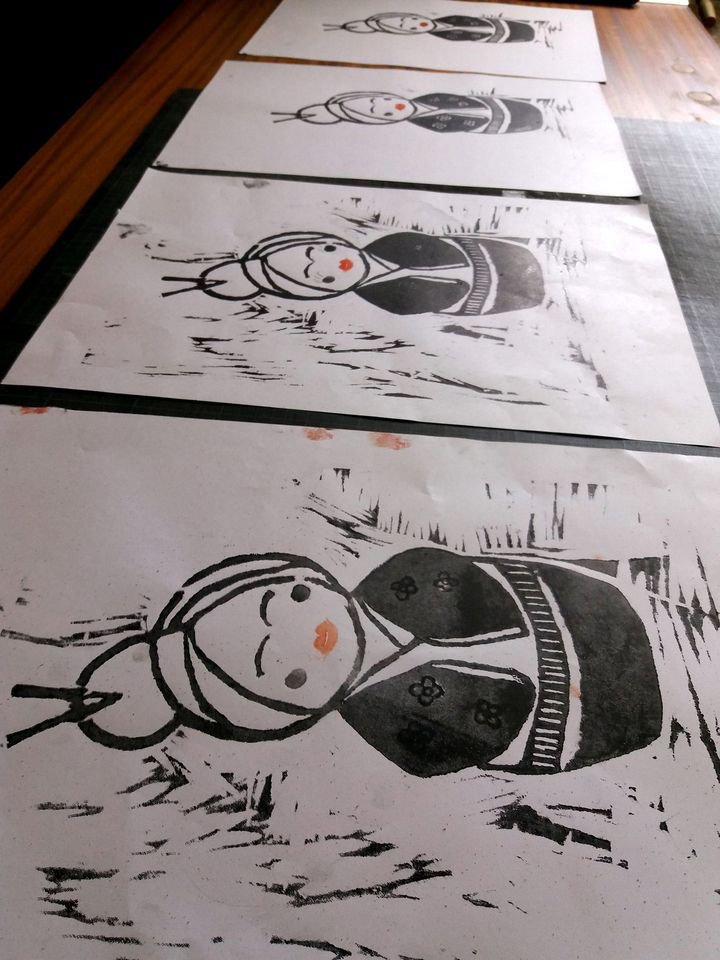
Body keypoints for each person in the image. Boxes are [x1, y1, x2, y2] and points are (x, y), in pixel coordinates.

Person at [8, 547, 663, 778]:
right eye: (278, 667)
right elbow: (487, 737)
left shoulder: (402, 574)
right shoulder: (392, 727)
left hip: (595, 611)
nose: (306, 632)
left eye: (282, 601)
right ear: (284, 709)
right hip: (597, 723)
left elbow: (479, 582)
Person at [161, 230, 545, 317]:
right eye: (320, 276)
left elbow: (444, 245)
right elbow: (450, 299)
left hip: (504, 255)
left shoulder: (393, 241)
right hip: (498, 300)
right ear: (320, 291)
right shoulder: (388, 300)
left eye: (321, 250)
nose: (334, 262)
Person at [273, 90, 543, 135]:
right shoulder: (429, 124)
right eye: (382, 113)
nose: (389, 105)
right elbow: (462, 126)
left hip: (504, 109)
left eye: (379, 100)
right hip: (497, 123)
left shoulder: (430, 97)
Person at [326, 12, 536, 43]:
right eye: (407, 28)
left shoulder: (450, 17)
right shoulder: (445, 36)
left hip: (507, 25)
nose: (413, 23)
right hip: (502, 38)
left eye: (407, 19)